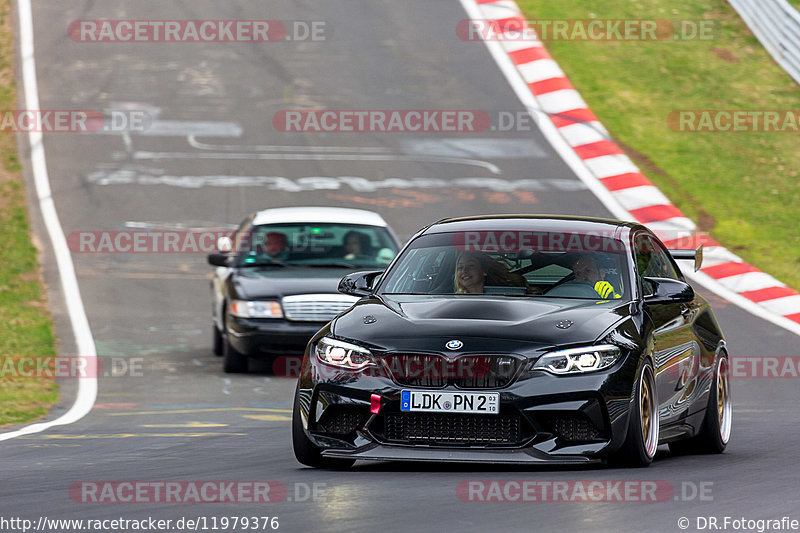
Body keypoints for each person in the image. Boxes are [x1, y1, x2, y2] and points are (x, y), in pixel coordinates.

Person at [454, 252, 530, 294]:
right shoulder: (453, 301)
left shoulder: (506, 296)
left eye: (471, 265)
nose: (464, 271)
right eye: (460, 268)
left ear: (484, 270)